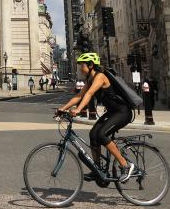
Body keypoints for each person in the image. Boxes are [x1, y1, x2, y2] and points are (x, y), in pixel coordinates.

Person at [57, 52, 137, 183]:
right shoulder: (90, 79)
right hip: (112, 112)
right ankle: (97, 170)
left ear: (90, 65)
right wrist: (63, 108)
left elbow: (89, 94)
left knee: (101, 135)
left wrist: (78, 110)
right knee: (93, 135)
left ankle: (126, 165)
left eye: (81, 65)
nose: (80, 69)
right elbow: (79, 96)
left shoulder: (100, 76)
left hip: (122, 112)